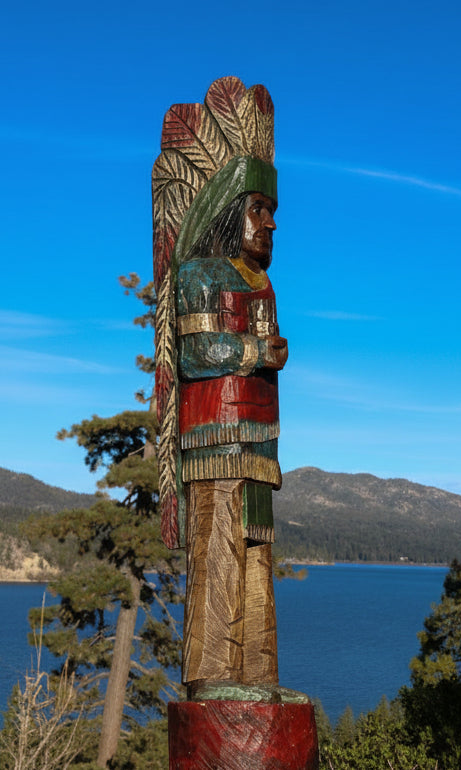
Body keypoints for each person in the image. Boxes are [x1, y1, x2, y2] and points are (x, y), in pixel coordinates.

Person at [173, 160, 287, 696]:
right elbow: (194, 354)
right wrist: (256, 350)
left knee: (257, 557)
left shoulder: (263, 284)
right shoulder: (199, 275)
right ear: (227, 213)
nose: (269, 224)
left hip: (260, 445)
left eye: (273, 212)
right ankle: (212, 675)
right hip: (214, 442)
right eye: (258, 210)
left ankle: (259, 674)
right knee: (218, 551)